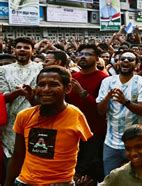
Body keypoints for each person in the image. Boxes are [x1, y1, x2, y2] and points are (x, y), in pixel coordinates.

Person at [5, 66, 93, 185]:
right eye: (41, 85)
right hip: (25, 182)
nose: (46, 89)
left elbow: (88, 151)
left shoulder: (76, 115)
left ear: (67, 88)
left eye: (53, 85)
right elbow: (17, 156)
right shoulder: (24, 116)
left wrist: (79, 175)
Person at [97, 50, 142, 176]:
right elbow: (100, 111)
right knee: (111, 178)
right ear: (117, 63)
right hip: (111, 142)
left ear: (137, 64)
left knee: (138, 178)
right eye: (122, 59)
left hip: (136, 142)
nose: (126, 61)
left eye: (130, 59)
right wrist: (107, 98)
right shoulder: (107, 82)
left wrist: (125, 102)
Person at [67, 44, 109, 183]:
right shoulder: (73, 77)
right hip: (72, 131)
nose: (83, 56)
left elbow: (101, 108)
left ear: (97, 59)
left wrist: (83, 93)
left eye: (88, 54)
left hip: (94, 132)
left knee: (90, 172)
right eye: (80, 54)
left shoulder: (104, 78)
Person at [0, 38, 42, 168]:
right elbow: (2, 97)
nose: (22, 50)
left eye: (26, 47)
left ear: (33, 51)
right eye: (19, 47)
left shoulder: (41, 68)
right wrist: (17, 93)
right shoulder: (3, 70)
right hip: (11, 124)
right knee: (12, 163)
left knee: (35, 160)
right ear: (14, 50)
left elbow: (43, 94)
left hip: (36, 119)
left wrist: (31, 94)